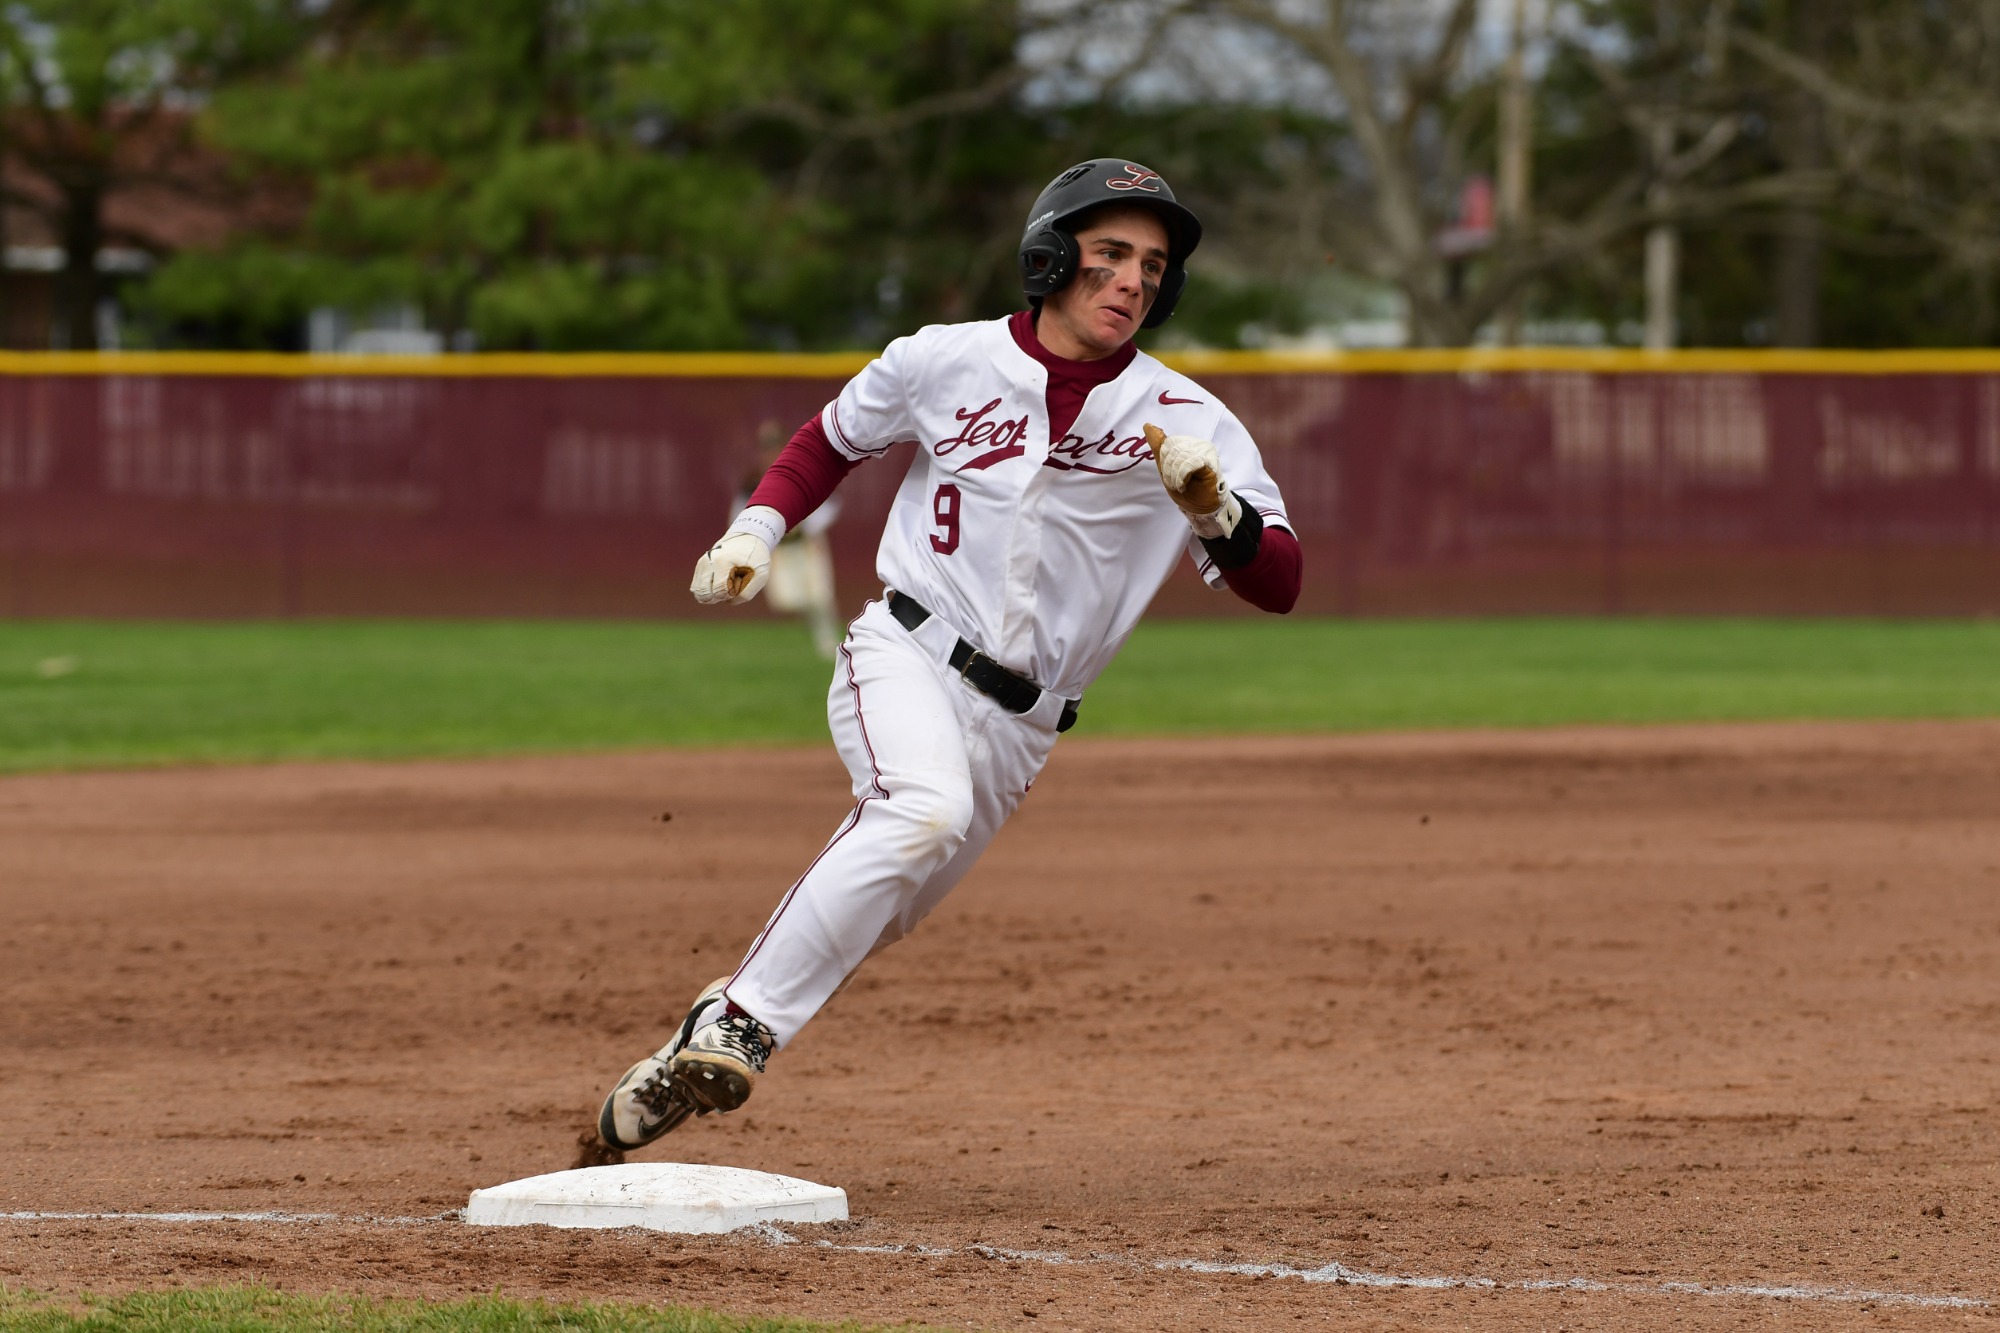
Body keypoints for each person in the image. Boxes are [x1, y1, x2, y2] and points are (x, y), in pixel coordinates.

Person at [599, 157, 1302, 1150]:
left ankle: (700, 1034)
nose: (1131, 280)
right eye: (1108, 254)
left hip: (1026, 725)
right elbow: (830, 439)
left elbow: (1278, 581)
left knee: (877, 905)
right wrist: (758, 527)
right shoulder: (943, 360)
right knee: (920, 809)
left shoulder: (1186, 421)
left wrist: (1216, 511)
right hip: (908, 650)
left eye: (1151, 265)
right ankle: (741, 1023)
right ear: (1049, 255)